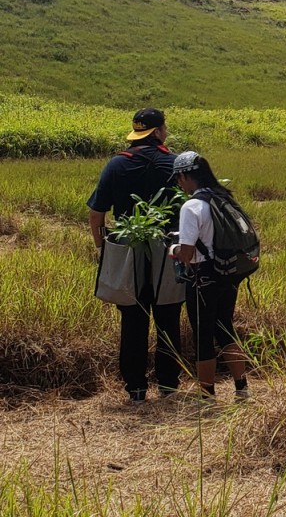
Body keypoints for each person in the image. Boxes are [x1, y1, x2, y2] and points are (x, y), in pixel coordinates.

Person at [86, 107, 183, 404]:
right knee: (168, 316)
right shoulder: (174, 164)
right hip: (169, 249)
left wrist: (103, 248)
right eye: (164, 128)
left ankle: (136, 389)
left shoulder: (117, 164)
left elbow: (96, 214)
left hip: (128, 250)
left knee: (133, 319)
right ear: (157, 132)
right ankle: (168, 386)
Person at [168, 151, 249, 403]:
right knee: (225, 327)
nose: (179, 184)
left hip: (202, 277)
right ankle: (242, 388)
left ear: (184, 175)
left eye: (179, 178)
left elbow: (188, 252)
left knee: (203, 335)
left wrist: (172, 249)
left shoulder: (191, 206)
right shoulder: (224, 198)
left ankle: (207, 395)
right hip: (228, 273)